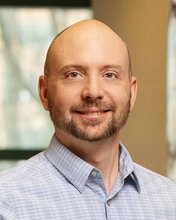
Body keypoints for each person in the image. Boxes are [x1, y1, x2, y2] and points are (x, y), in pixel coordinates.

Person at [0, 19, 176, 220]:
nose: (93, 91)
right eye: (73, 74)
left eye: (109, 74)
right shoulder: (7, 205)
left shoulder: (170, 202)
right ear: (44, 92)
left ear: (131, 92)